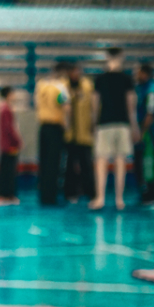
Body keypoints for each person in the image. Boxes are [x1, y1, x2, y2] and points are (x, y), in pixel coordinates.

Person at [90, 47, 139, 210]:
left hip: (104, 123)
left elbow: (95, 104)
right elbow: (131, 104)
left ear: (107, 57)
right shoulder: (127, 79)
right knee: (120, 161)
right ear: (121, 57)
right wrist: (134, 126)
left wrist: (93, 123)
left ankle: (100, 198)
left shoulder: (100, 79)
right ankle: (119, 199)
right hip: (122, 124)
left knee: (101, 160)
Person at [34, 61, 71, 206]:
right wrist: (67, 125)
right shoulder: (61, 86)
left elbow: (37, 104)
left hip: (43, 127)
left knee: (43, 162)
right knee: (54, 163)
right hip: (56, 127)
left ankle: (43, 195)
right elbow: (66, 106)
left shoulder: (41, 85)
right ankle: (51, 196)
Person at [63, 61, 96, 203]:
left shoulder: (88, 86)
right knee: (70, 165)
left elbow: (94, 107)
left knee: (86, 164)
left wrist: (93, 124)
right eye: (73, 71)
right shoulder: (64, 86)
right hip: (70, 134)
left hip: (84, 132)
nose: (75, 74)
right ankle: (70, 192)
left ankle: (90, 192)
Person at [0, 86, 22, 205]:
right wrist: (17, 141)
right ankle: (5, 195)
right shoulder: (6, 109)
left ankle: (6, 195)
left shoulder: (4, 108)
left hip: (6, 144)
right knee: (8, 171)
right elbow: (9, 128)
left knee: (7, 170)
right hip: (9, 145)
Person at [134, 62, 154, 205]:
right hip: (144, 131)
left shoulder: (151, 89)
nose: (135, 74)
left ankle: (151, 193)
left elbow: (150, 112)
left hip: (150, 133)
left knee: (148, 162)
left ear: (144, 73)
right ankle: (147, 191)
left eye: (138, 72)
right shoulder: (140, 88)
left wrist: (142, 132)